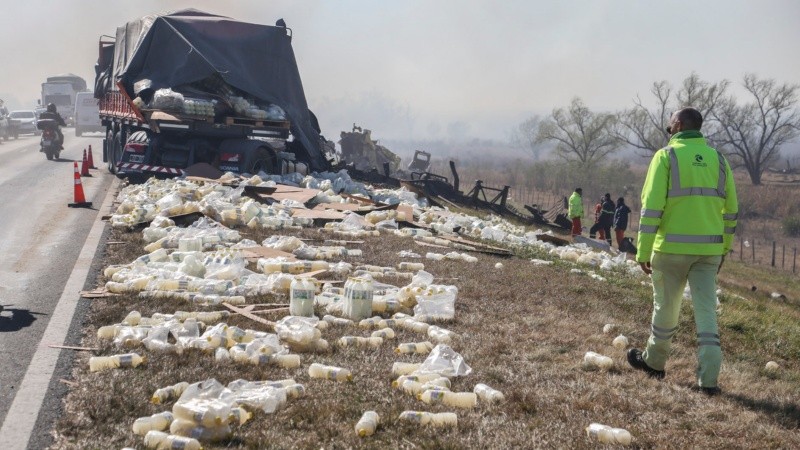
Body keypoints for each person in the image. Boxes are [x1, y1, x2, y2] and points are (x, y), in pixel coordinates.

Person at [627, 107, 738, 396]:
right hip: (708, 252)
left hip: (671, 249)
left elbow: (651, 208)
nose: (668, 130)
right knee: (706, 312)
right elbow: (731, 211)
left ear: (677, 125)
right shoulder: (719, 160)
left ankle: (654, 362)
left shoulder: (666, 157)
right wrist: (723, 248)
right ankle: (709, 379)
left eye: (669, 126)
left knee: (666, 307)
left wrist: (643, 251)